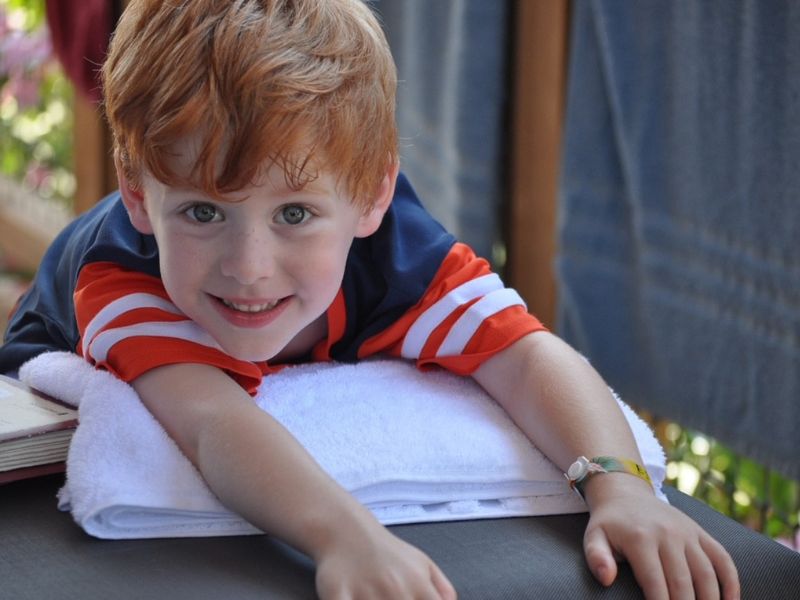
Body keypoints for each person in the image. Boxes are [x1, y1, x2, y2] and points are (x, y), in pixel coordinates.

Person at [0, 1, 740, 598]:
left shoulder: (401, 256)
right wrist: (346, 538)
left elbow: (524, 353)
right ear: (137, 195)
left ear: (372, 195)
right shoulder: (120, 274)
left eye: (294, 215)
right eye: (201, 212)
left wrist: (621, 489)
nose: (248, 267)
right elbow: (211, 421)